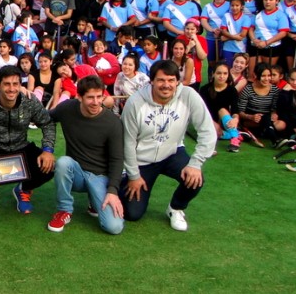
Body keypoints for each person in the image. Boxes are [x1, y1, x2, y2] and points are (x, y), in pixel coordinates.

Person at [120, 60, 216, 231]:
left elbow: (208, 131)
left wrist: (196, 164)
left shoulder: (188, 95)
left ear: (177, 82)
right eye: (161, 80)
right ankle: (119, 180)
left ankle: (176, 208)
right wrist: (134, 175)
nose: (166, 85)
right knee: (132, 213)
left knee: (195, 179)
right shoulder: (135, 102)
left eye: (171, 80)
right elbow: (127, 142)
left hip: (172, 152)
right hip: (142, 159)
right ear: (152, 81)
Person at [0, 66, 55, 214]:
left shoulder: (29, 101)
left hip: (21, 147)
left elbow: (47, 123)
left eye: (15, 84)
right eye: (7, 84)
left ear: (20, 85)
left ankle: (24, 188)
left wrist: (47, 149)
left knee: (49, 166)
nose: (11, 89)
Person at [48, 75, 124, 234]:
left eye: (99, 97)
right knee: (63, 163)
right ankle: (64, 210)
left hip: (100, 177)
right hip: (76, 173)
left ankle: (94, 200)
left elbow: (117, 160)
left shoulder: (113, 122)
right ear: (79, 96)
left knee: (114, 227)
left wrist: (112, 191)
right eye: (90, 97)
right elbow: (45, 118)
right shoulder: (67, 109)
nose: (96, 102)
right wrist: (47, 149)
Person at [199, 63, 243, 152]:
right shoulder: (204, 89)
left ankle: (235, 139)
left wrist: (235, 119)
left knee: (222, 110)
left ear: (228, 75)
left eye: (225, 73)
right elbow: (201, 110)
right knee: (215, 132)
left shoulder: (231, 90)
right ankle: (234, 134)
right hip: (209, 120)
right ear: (213, 74)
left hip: (225, 120)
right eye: (219, 73)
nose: (222, 76)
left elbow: (235, 109)